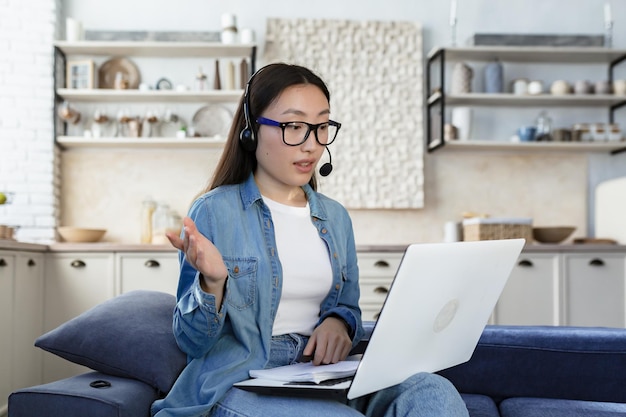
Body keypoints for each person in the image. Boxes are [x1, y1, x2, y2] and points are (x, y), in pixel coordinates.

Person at [151, 63, 469, 417]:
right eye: (294, 126)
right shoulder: (213, 211)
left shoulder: (335, 217)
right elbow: (193, 342)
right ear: (251, 131)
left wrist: (338, 322)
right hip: (239, 379)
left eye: (320, 127)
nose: (312, 145)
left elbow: (347, 306)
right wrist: (213, 281)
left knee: (433, 391)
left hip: (322, 372)